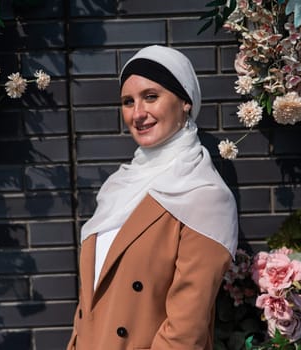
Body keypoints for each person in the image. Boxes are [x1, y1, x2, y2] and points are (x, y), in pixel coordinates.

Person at [67, 45, 238, 350]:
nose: (138, 114)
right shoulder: (117, 187)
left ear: (185, 101)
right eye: (127, 102)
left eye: (150, 96)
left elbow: (186, 332)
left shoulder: (204, 196)